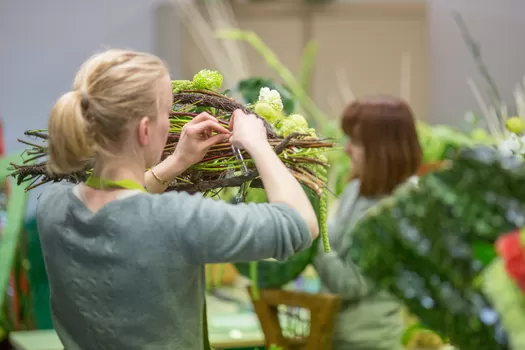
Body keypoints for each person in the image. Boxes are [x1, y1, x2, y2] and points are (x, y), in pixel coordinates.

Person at [37, 49, 319, 350]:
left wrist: (176, 162)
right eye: (167, 113)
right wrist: (257, 143)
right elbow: (299, 224)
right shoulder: (176, 219)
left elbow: (121, 207)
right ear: (145, 130)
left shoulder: (52, 207)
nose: (169, 123)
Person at [313, 96, 422, 350]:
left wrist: (313, 233)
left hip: (368, 341)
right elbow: (334, 248)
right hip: (333, 333)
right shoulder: (357, 188)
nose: (347, 148)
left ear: (386, 149)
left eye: (358, 142)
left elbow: (349, 283)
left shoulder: (399, 209)